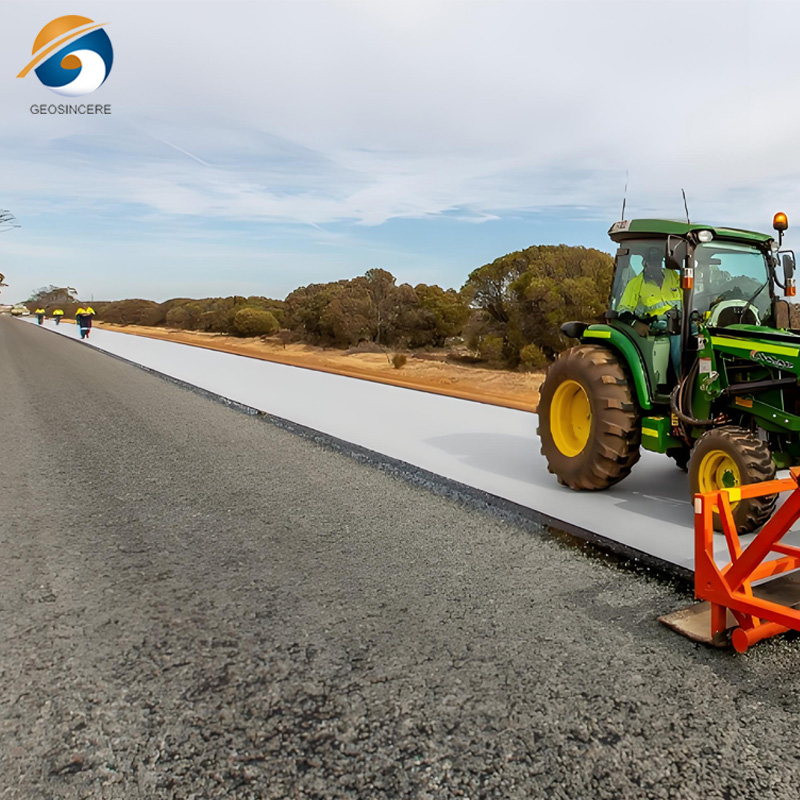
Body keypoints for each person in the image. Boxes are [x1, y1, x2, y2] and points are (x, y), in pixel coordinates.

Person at [618, 246, 682, 374]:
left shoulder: (672, 276)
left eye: (658, 262)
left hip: (681, 321)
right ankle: (680, 378)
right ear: (645, 264)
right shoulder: (636, 284)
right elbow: (623, 311)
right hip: (657, 326)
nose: (655, 266)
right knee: (677, 341)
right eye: (652, 263)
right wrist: (635, 324)